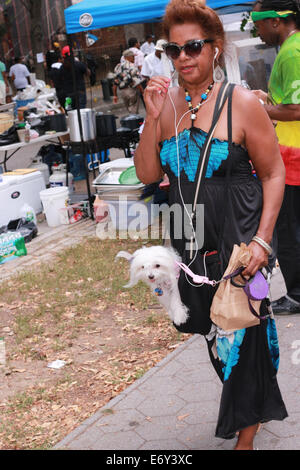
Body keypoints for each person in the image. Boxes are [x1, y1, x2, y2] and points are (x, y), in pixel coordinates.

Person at [135, 0, 288, 450]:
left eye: (194, 47)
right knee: (211, 328)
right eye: (174, 49)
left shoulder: (240, 103)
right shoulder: (165, 106)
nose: (183, 57)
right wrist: (150, 116)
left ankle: (246, 436)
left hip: (239, 238)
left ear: (215, 49)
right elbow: (147, 175)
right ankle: (250, 405)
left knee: (242, 332)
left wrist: (262, 239)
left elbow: (274, 172)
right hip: (190, 238)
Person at [250, 0, 300, 315]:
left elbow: (296, 109)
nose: (258, 31)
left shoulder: (292, 53)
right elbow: (288, 101)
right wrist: (268, 100)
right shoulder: (291, 49)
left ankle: (296, 293)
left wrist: (256, 109)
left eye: (258, 25)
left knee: (289, 229)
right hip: (290, 151)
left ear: (275, 21)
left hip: (293, 156)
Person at [113, 49, 144, 114]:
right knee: (134, 112)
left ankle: (132, 122)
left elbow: (115, 82)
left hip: (123, 93)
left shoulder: (117, 67)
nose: (134, 58)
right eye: (133, 56)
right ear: (128, 57)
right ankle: (134, 123)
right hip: (132, 91)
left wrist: (115, 95)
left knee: (130, 110)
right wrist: (143, 92)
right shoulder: (132, 67)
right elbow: (137, 82)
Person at [58, 45, 90, 110]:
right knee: (81, 112)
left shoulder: (62, 68)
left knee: (72, 114)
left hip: (68, 95)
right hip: (80, 92)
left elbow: (60, 79)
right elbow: (88, 73)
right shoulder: (78, 64)